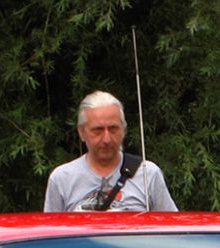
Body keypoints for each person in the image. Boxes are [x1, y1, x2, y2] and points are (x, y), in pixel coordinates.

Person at [44, 91, 178, 213]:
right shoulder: (62, 179)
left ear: (123, 130)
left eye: (113, 129)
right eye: (97, 130)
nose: (107, 139)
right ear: (82, 132)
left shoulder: (148, 174)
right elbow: (50, 236)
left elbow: (172, 229)